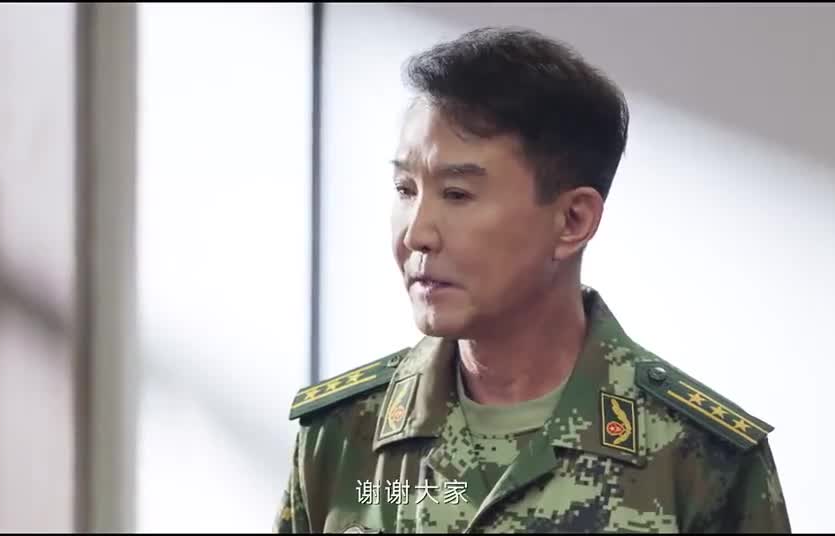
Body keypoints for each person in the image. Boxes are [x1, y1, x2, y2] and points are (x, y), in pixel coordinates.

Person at [275, 26, 790, 533]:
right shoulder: (341, 436)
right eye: (405, 189)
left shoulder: (700, 459)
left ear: (572, 221)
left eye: (457, 194)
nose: (417, 234)